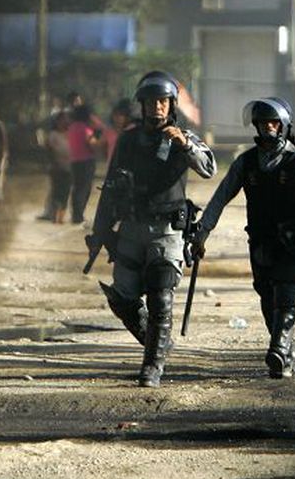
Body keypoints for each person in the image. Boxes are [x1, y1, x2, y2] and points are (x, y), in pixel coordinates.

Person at [87, 71, 216, 388]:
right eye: (150, 102)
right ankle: (158, 344)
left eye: (162, 101)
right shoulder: (129, 140)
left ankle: (153, 367)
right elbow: (112, 184)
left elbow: (208, 168)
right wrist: (100, 230)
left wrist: (184, 144)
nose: (156, 107)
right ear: (142, 106)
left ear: (171, 105)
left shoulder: (182, 138)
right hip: (131, 229)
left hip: (166, 232)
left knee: (161, 298)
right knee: (122, 299)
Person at [191, 97, 295, 379]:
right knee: (268, 298)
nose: (269, 129)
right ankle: (287, 350)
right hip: (261, 244)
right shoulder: (246, 163)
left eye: (274, 123)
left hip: (294, 245)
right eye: (264, 124)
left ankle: (277, 349)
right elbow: (220, 198)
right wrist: (202, 233)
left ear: (284, 126)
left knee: (286, 297)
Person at [67, 104, 102, 224]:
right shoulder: (86, 129)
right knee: (85, 189)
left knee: (76, 188)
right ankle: (79, 215)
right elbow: (94, 143)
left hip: (74, 161)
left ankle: (75, 214)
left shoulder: (71, 128)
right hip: (87, 161)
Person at [46, 110, 72, 224]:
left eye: (65, 120)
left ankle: (61, 217)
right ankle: (54, 216)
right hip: (56, 167)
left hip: (69, 167)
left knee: (65, 192)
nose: (63, 122)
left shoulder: (71, 134)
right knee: (56, 191)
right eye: (60, 120)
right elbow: (50, 151)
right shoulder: (53, 135)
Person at [103, 98, 134, 164]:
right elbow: (103, 148)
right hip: (112, 165)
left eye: (120, 115)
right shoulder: (108, 131)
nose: (117, 118)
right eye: (115, 115)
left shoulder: (132, 130)